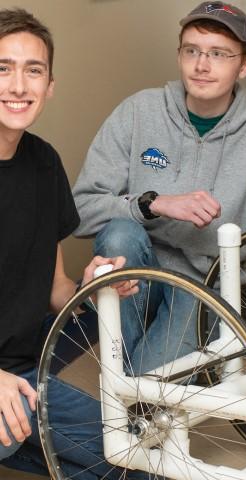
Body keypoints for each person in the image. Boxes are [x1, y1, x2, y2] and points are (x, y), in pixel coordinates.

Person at [73, 2, 246, 374]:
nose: (202, 65)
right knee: (119, 233)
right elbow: (81, 211)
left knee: (144, 386)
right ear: (179, 54)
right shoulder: (138, 112)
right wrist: (155, 203)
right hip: (138, 267)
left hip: (204, 283)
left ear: (245, 64)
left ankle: (134, 380)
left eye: (218, 54)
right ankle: (141, 379)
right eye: (192, 50)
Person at [0, 8, 144, 479]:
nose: (19, 86)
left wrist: (91, 287)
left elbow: (54, 288)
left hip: (23, 375)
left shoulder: (44, 164)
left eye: (33, 70)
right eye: (3, 68)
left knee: (134, 460)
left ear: (49, 86)